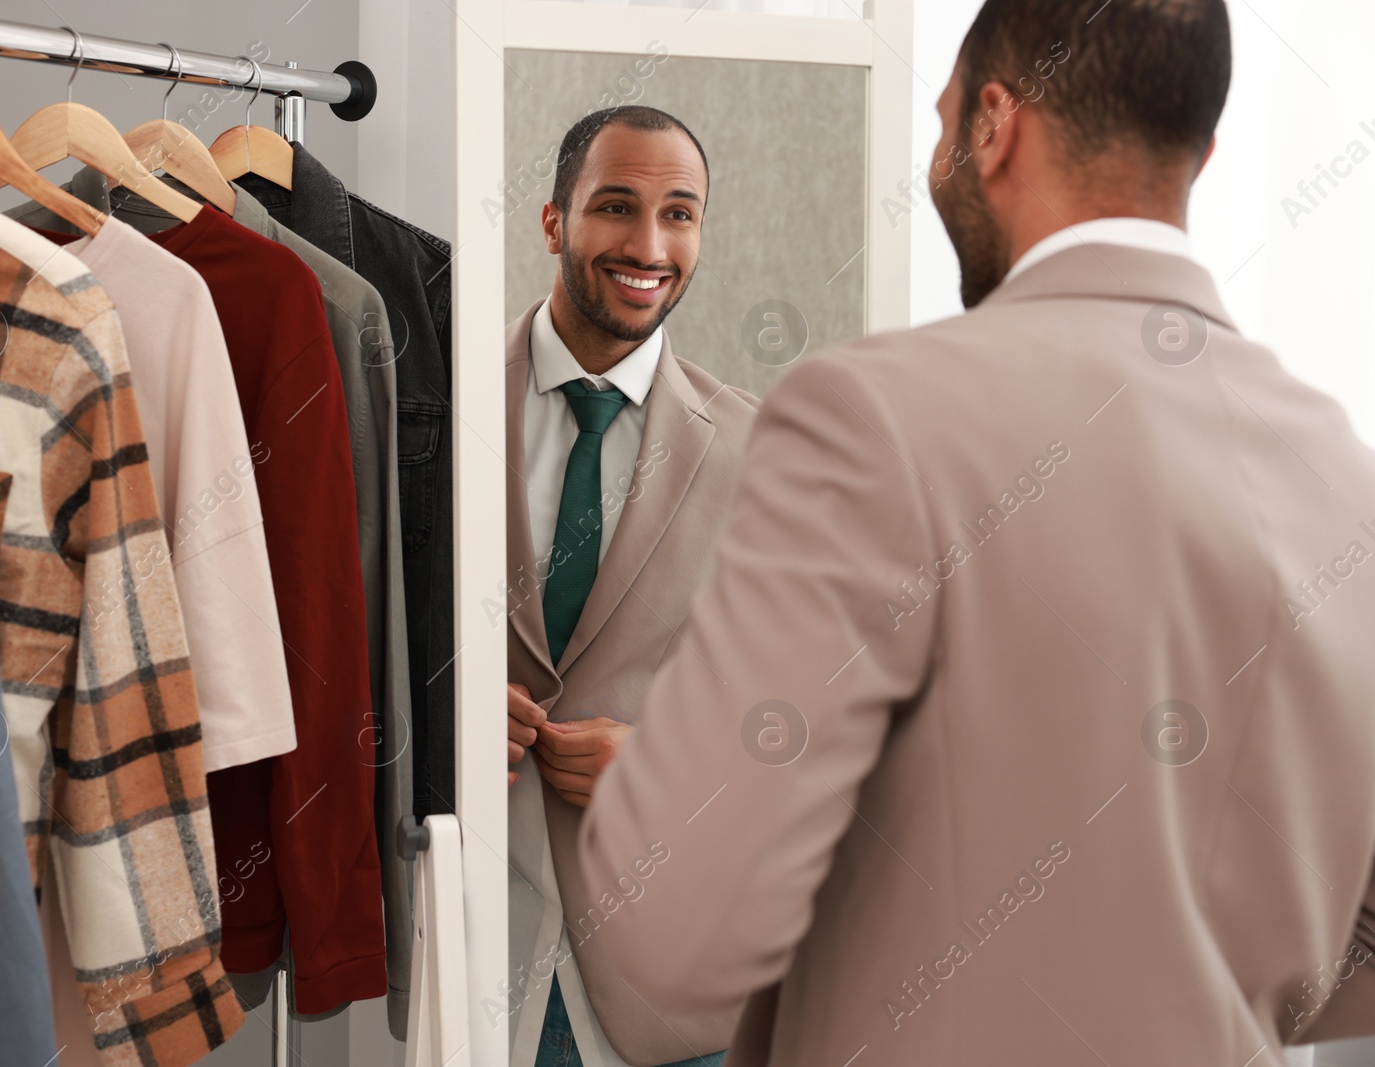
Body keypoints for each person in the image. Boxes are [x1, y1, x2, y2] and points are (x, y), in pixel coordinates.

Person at [579, 2, 1375, 1064]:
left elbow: (674, 923)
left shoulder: (871, 417)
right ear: (1200, 150)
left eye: (944, 119)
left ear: (993, 124)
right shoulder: (1337, 464)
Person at [501, 105, 759, 1067]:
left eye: (680, 214)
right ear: (554, 221)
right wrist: (446, 717)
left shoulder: (760, 451)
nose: (649, 244)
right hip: (480, 943)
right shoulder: (439, 400)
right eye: (616, 206)